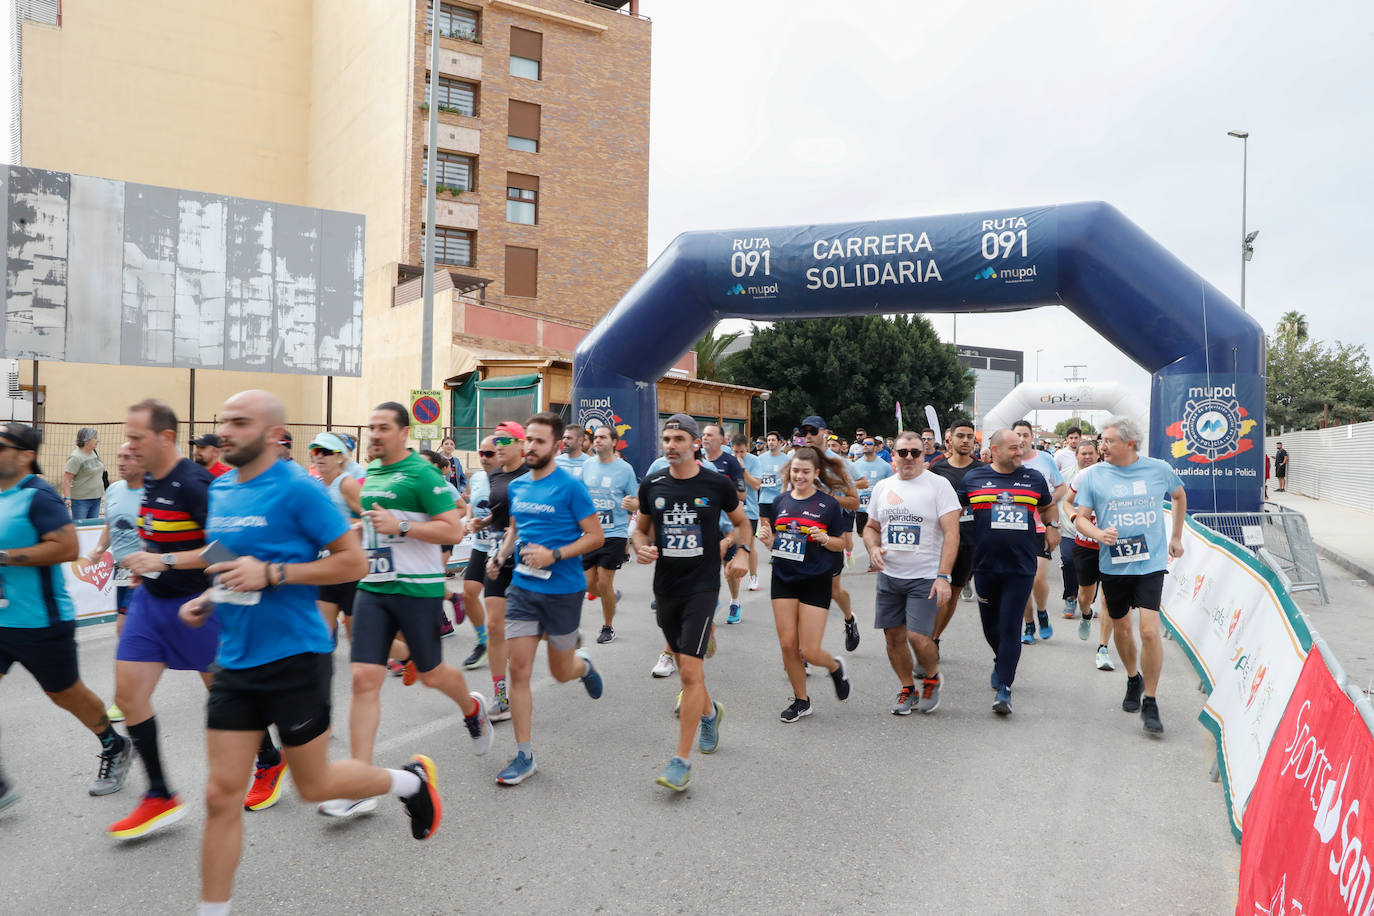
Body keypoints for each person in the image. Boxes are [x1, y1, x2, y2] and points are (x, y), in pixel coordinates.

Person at [179, 390, 446, 915]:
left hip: (294, 657)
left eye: (238, 422)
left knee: (315, 785)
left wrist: (275, 573)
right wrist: (211, 596)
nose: (224, 431)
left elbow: (352, 564)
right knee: (219, 796)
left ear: (272, 434)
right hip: (234, 661)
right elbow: (229, 558)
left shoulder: (301, 491)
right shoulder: (224, 489)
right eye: (223, 421)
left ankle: (408, 782)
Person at [320, 402, 491, 819]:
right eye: (371, 428)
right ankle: (360, 783)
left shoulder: (422, 474)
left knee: (432, 674)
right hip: (373, 585)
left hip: (417, 589)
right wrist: (362, 530)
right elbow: (377, 522)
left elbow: (452, 528)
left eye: (383, 429)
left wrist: (402, 526)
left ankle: (471, 708)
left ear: (403, 433)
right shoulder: (372, 473)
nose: (374, 435)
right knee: (364, 678)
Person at [109, 399, 226, 838]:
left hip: (195, 606)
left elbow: (224, 553)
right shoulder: (151, 481)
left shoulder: (196, 484)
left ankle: (270, 760)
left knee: (226, 696)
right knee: (129, 694)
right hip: (150, 605)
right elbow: (158, 536)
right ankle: (159, 794)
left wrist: (166, 561)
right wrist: (147, 566)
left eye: (137, 438)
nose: (130, 446)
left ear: (166, 437)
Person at [0, 421, 132, 810]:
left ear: (25, 455)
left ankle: (115, 744)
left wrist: (6, 558)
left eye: (2, 445)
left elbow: (67, 546)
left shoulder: (39, 496)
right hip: (2, 620)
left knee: (65, 694)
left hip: (41, 620)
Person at [486, 411, 606, 786]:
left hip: (562, 591)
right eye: (529, 440)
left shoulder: (570, 487)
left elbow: (595, 537)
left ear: (557, 446)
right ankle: (524, 755)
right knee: (518, 671)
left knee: (559, 671)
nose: (532, 447)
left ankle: (581, 666)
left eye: (540, 441)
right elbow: (516, 527)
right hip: (522, 588)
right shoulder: (518, 487)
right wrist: (501, 555)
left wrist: (554, 555)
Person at [633, 415, 750, 790]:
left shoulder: (715, 484)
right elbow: (640, 528)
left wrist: (742, 552)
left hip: (702, 586)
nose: (671, 445)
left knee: (688, 673)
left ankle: (680, 761)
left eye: (679, 438)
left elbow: (741, 523)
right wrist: (640, 548)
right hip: (666, 586)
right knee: (687, 664)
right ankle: (712, 712)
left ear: (696, 443)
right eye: (667, 438)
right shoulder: (652, 483)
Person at [1071, 416, 1185, 735]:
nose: (1101, 447)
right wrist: (1098, 533)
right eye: (1101, 441)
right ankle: (1133, 678)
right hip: (1113, 564)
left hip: (1150, 563)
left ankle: (1150, 699)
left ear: (1129, 443)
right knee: (1122, 628)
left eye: (1108, 441)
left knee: (1149, 631)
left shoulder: (1158, 468)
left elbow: (1179, 496)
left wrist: (1176, 537)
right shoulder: (1093, 476)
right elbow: (1080, 518)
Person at [958, 429, 1059, 716]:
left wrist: (1053, 527)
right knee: (991, 627)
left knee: (1010, 626)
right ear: (995, 450)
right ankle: (1000, 659)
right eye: (1014, 448)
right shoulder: (973, 479)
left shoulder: (1033, 478)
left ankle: (1005, 687)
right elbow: (953, 510)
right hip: (986, 564)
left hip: (1021, 565)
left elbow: (1048, 506)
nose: (1020, 452)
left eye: (1022, 446)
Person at [862, 431, 960, 715]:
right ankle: (907, 688)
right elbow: (871, 527)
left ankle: (931, 677)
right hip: (890, 576)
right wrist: (872, 548)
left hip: (925, 576)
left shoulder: (938, 486)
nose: (908, 458)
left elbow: (952, 533)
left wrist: (944, 576)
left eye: (914, 452)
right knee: (893, 638)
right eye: (902, 452)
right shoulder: (883, 487)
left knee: (918, 637)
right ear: (893, 455)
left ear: (923, 455)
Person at [760, 446, 852, 722]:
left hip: (816, 579)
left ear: (816, 474)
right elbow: (778, 543)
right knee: (788, 646)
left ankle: (835, 667)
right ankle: (802, 700)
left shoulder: (828, 505)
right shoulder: (780, 502)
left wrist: (824, 539)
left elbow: (842, 544)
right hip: (784, 578)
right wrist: (768, 542)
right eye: (795, 471)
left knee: (808, 650)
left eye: (805, 472)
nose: (799, 476)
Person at [85, 440, 145, 722]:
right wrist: (99, 549)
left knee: (125, 632)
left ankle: (124, 699)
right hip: (120, 572)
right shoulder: (114, 489)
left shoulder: (154, 491)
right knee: (133, 635)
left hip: (145, 574)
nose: (121, 462)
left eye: (129, 457)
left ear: (143, 461)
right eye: (119, 456)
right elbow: (111, 523)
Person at [478, 421, 530, 721]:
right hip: (497, 554)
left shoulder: (532, 475)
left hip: (527, 557)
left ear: (522, 445)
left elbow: (522, 520)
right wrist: (482, 523)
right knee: (496, 625)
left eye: (506, 440)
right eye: (497, 439)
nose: (498, 444)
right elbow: (499, 514)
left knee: (531, 627)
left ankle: (564, 637)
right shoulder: (495, 473)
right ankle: (500, 695)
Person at [799, 416, 861, 651]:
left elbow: (854, 502)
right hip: (801, 537)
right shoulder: (795, 460)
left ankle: (849, 619)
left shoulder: (838, 464)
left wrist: (828, 499)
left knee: (834, 591)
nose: (808, 435)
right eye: (804, 431)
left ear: (824, 432)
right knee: (801, 594)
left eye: (812, 430)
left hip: (831, 536)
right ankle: (804, 652)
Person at [923, 418, 982, 646]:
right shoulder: (937, 468)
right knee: (931, 591)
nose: (965, 441)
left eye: (970, 437)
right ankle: (924, 636)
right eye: (961, 436)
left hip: (968, 540)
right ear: (950, 439)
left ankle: (934, 639)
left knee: (953, 594)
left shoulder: (982, 471)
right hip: (938, 540)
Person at [1011, 419, 1065, 644]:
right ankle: (1029, 624)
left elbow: (1061, 486)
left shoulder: (1045, 459)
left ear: (1032, 437)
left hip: (1040, 525)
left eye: (1025, 434)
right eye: (1017, 435)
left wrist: (1045, 502)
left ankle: (1042, 611)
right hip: (1014, 527)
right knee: (1022, 581)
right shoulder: (1007, 461)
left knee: (1038, 578)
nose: (1021, 439)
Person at [584, 424, 638, 643]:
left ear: (614, 442)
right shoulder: (587, 466)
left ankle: (608, 627)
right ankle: (611, 597)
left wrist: (631, 503)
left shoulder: (625, 469)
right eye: (595, 437)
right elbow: (579, 495)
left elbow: (636, 501)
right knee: (587, 583)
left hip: (614, 533)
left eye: (603, 437)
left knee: (604, 581)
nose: (597, 440)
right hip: (589, 533)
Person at [1063, 439, 1114, 669]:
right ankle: (1085, 614)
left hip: (1113, 547)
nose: (1088, 456)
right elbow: (1067, 502)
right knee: (1085, 597)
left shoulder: (1123, 474)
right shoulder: (1085, 476)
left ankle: (1103, 648)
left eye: (1091, 452)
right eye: (1083, 453)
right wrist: (1076, 519)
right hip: (1086, 545)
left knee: (1109, 599)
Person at [310, 432, 363, 642]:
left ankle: (405, 656)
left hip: (351, 569)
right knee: (321, 634)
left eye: (326, 452)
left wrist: (342, 525)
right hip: (327, 566)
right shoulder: (318, 485)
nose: (319, 456)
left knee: (356, 639)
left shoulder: (347, 483)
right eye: (316, 451)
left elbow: (372, 520)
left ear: (340, 457)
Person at [700, 424, 747, 622]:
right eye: (703, 435)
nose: (705, 438)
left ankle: (735, 602)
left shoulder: (731, 463)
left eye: (710, 435)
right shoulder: (697, 460)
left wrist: (718, 491)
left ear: (721, 440)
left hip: (726, 525)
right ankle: (710, 601)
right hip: (702, 523)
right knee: (703, 567)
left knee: (729, 566)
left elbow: (742, 494)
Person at [459, 436, 498, 670]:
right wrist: (469, 518)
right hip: (481, 545)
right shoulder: (478, 478)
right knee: (468, 594)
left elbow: (508, 514)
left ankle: (561, 634)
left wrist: (484, 522)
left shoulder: (512, 479)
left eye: (489, 453)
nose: (483, 458)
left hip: (505, 548)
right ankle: (484, 642)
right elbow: (472, 502)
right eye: (481, 453)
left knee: (512, 605)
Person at [849, 435, 894, 572]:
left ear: (875, 447)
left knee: (877, 531)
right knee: (863, 533)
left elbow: (892, 485)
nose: (866, 445)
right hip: (861, 507)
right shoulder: (856, 465)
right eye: (864, 443)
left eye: (869, 443)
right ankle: (874, 554)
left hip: (879, 507)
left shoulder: (885, 466)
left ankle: (874, 559)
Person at [729, 433, 762, 602]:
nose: (738, 455)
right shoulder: (727, 459)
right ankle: (737, 571)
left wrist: (742, 470)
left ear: (747, 449)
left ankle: (753, 576)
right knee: (733, 544)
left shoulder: (755, 461)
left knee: (749, 545)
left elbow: (756, 484)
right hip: (731, 509)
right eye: (735, 452)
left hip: (750, 510)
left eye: (741, 452)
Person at [63, 426, 106, 520]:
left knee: (92, 528)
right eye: (95, 438)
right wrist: (67, 498)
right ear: (87, 440)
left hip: (97, 497)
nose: (98, 440)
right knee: (81, 528)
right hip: (81, 500)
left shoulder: (94, 452)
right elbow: (66, 480)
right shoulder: (75, 457)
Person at [755, 431, 790, 537]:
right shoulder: (760, 459)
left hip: (780, 499)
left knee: (779, 530)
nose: (770, 442)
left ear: (779, 443)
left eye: (773, 440)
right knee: (766, 531)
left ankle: (777, 551)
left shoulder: (787, 459)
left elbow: (789, 479)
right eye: (769, 440)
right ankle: (771, 550)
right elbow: (757, 477)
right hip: (764, 499)